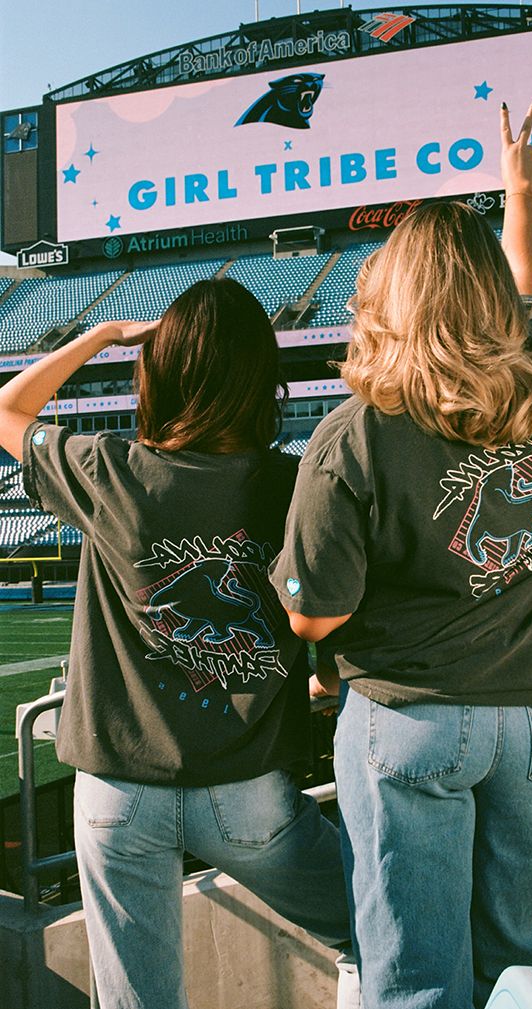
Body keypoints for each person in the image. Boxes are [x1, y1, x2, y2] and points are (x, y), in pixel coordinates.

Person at [269, 102, 532, 1009]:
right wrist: (519, 190)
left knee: (415, 971)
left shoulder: (352, 437)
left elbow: (314, 613)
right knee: (514, 950)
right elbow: (529, 286)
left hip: (413, 718)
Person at [0, 278, 351, 1009]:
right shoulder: (296, 483)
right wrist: (324, 683)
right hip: (245, 788)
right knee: (384, 934)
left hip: (115, 788)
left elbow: (7, 410)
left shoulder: (110, 468)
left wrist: (100, 338)